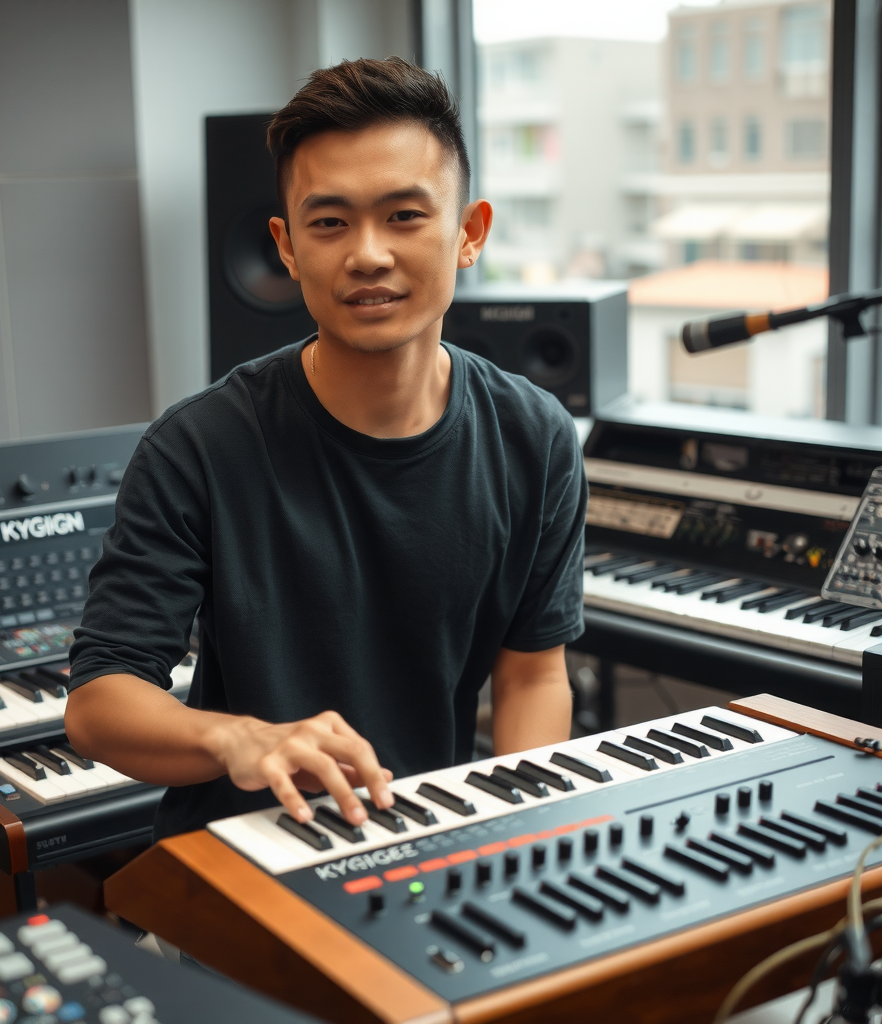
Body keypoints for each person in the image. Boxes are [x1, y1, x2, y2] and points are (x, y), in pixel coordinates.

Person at [65, 56, 587, 841]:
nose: (367, 254)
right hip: (241, 862)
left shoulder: (536, 437)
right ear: (286, 245)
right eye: (330, 221)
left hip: (431, 843)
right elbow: (100, 702)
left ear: (469, 233)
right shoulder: (198, 444)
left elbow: (532, 674)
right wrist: (238, 738)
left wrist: (527, 834)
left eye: (405, 216)